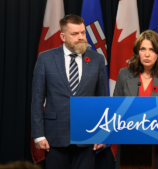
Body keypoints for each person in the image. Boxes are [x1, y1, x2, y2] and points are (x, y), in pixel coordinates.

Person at [31, 14, 108, 169]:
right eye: (74, 34)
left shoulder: (97, 59)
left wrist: (103, 133)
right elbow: (37, 99)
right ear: (63, 36)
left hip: (87, 135)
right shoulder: (45, 59)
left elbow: (102, 99)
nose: (81, 37)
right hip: (55, 136)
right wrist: (38, 134)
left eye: (82, 32)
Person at [113, 30, 158, 169]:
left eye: (152, 50)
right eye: (143, 49)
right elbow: (116, 109)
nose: (147, 54)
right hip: (129, 144)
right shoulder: (124, 74)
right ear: (138, 52)